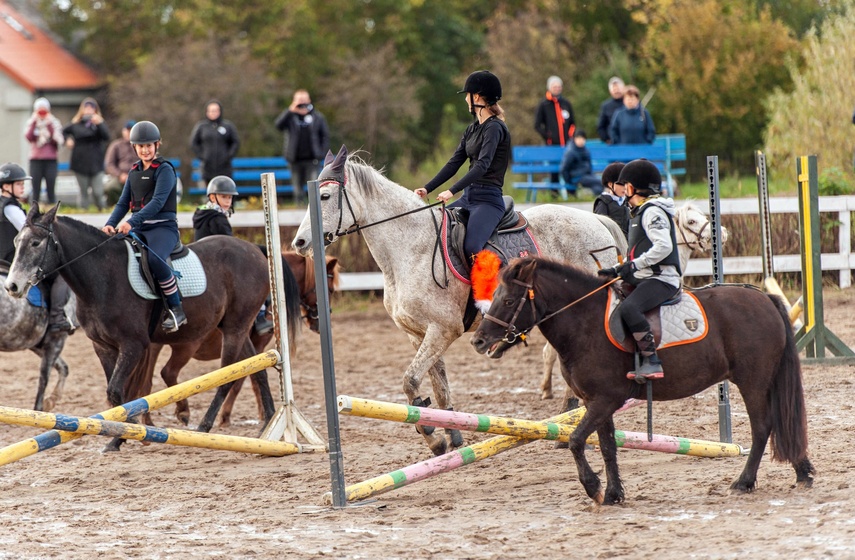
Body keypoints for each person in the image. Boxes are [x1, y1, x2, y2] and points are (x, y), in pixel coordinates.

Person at [415, 70, 510, 267]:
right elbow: (454, 163)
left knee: (472, 247)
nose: (466, 100)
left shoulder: (495, 128)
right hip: (469, 197)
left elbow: (483, 165)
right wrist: (427, 188)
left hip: (488, 201)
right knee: (434, 229)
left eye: (467, 95)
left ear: (476, 97)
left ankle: (490, 294)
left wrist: (451, 191)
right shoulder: (472, 129)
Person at [598, 159, 680, 380]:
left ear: (632, 188)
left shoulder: (653, 212)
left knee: (629, 309)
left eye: (625, 187)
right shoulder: (639, 212)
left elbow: (664, 247)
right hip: (645, 276)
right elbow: (634, 252)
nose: (623, 191)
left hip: (661, 278)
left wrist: (634, 266)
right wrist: (615, 269)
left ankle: (651, 360)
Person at [103, 121, 186, 333]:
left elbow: (157, 202)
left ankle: (176, 308)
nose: (145, 150)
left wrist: (131, 222)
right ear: (134, 148)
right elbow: (123, 203)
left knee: (156, 261)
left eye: (149, 145)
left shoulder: (165, 170)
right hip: (139, 227)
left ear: (157, 145)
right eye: (141, 146)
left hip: (163, 227)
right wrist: (110, 224)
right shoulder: (133, 171)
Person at [192, 175, 273, 334]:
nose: (228, 201)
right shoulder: (218, 218)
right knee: (253, 279)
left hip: (203, 261)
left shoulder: (203, 214)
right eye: (224, 197)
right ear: (212, 197)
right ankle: (261, 316)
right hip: (215, 264)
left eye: (230, 197)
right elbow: (231, 245)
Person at [0, 163, 73, 332]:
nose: (22, 187)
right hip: (14, 258)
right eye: (19, 184)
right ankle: (57, 317)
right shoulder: (11, 208)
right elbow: (29, 233)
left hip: (2, 257)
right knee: (62, 273)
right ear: (6, 186)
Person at [274, 90, 330, 205]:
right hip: (295, 158)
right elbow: (278, 125)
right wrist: (290, 111)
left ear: (309, 100)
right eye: (299, 100)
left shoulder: (317, 117)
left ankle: (314, 208)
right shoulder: (290, 117)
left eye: (304, 100)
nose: (302, 103)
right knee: (297, 189)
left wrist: (321, 153)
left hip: (312, 159)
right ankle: (299, 208)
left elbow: (325, 136)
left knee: (314, 186)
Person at [62, 97, 110, 210]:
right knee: (83, 192)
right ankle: (83, 213)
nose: (89, 110)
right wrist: (67, 140)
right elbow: (63, 131)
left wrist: (100, 123)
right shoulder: (76, 124)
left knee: (98, 192)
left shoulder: (98, 124)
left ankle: (102, 212)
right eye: (86, 107)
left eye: (91, 108)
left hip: (96, 163)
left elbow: (106, 136)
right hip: (80, 162)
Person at [534, 75, 574, 190]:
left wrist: (570, 136)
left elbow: (572, 123)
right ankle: (554, 195)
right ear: (549, 88)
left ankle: (571, 193)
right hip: (552, 145)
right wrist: (548, 137)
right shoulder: (544, 104)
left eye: (558, 86)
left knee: (568, 169)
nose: (557, 88)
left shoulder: (566, 103)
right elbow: (537, 125)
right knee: (554, 171)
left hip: (567, 144)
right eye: (554, 86)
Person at [24, 97, 64, 205]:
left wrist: (48, 123)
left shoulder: (54, 122)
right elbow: (29, 137)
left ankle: (52, 210)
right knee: (35, 187)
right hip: (35, 159)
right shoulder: (32, 122)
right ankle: (34, 210)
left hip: (50, 159)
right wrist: (34, 122)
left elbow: (57, 140)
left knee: (51, 186)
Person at [190, 100, 240, 186]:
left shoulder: (228, 126)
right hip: (208, 168)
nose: (213, 113)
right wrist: (202, 156)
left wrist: (228, 156)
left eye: (215, 110)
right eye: (210, 111)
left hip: (224, 167)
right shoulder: (201, 127)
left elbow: (235, 142)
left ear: (220, 111)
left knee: (225, 191)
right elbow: (193, 143)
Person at [558, 129, 603, 197]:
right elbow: (564, 169)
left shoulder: (586, 151)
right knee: (600, 182)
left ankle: (589, 196)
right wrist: (569, 181)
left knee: (598, 186)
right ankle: (588, 195)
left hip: (586, 176)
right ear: (574, 139)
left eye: (582, 139)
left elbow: (589, 165)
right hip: (577, 177)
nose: (580, 141)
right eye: (578, 138)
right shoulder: (571, 152)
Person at [103, 120, 138, 206]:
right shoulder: (116, 145)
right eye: (128, 130)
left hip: (137, 175)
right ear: (123, 131)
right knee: (110, 188)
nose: (129, 133)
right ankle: (115, 206)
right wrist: (119, 175)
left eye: (132, 130)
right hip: (120, 176)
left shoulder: (141, 145)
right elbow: (109, 164)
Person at [592, 162, 629, 237]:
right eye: (621, 184)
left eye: (627, 184)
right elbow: (600, 226)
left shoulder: (628, 201)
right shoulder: (604, 202)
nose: (625, 187)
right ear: (610, 184)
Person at [596, 76, 625, 143]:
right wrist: (607, 139)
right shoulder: (605, 106)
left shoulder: (631, 104)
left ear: (623, 88)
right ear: (610, 91)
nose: (617, 91)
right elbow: (600, 127)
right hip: (613, 144)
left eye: (618, 88)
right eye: (614, 89)